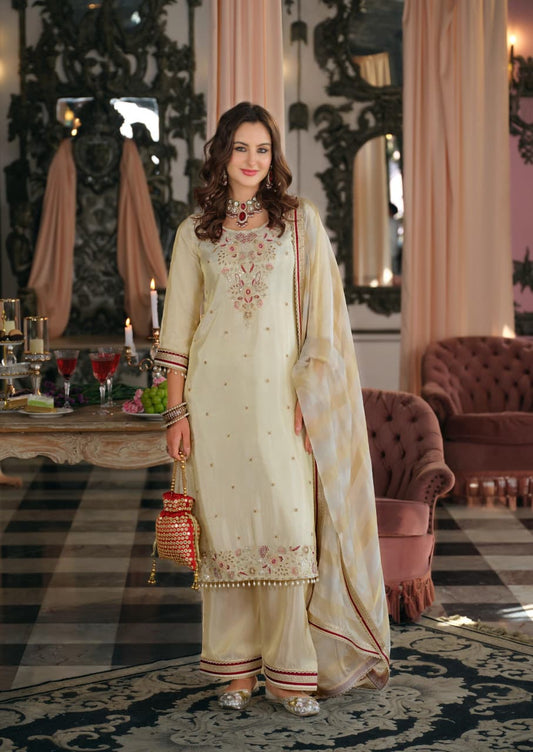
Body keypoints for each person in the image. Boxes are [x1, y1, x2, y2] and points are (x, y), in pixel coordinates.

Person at [155, 102, 390, 716]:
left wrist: (314, 398)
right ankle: (235, 673)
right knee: (226, 537)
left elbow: (322, 320)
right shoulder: (194, 233)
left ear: (273, 156)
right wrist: (176, 415)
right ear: (221, 153)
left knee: (288, 531)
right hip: (213, 404)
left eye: (262, 149)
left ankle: (290, 677)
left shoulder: (299, 222)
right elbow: (176, 332)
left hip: (282, 403)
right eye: (241, 148)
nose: (252, 160)